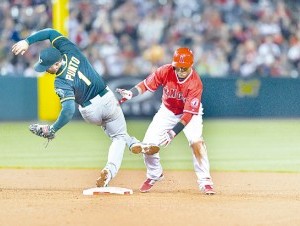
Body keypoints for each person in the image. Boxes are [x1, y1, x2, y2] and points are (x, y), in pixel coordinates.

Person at [11, 28, 159, 188]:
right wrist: (27, 41)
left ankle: (133, 145)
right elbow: (50, 32)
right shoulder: (70, 50)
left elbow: (68, 110)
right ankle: (113, 166)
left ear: (56, 62)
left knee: (118, 135)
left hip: (89, 112)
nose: (46, 70)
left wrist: (53, 129)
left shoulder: (60, 82)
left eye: (47, 66)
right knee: (118, 136)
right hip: (107, 99)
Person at [116, 47, 215, 195]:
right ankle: (154, 174)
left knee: (196, 142)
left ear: (191, 66)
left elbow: (187, 115)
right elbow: (146, 84)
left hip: (189, 115)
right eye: (178, 68)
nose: (180, 71)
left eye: (184, 68)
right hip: (168, 111)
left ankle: (205, 180)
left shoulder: (195, 83)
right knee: (148, 144)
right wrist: (132, 92)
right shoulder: (166, 71)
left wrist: (172, 133)